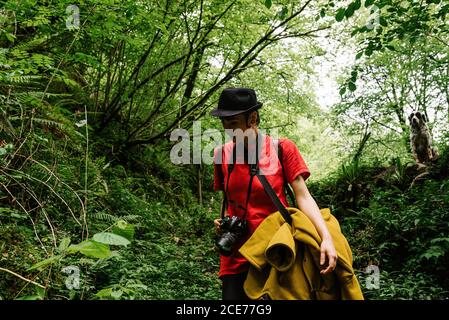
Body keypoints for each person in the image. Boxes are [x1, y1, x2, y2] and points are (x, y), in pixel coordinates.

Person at [210, 87, 338, 300]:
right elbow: (231, 198)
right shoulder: (221, 154)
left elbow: (303, 196)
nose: (228, 131)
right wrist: (223, 221)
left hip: (275, 250)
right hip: (236, 254)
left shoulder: (281, 149)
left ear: (252, 118)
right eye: (224, 124)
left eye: (233, 124)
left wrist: (326, 237)